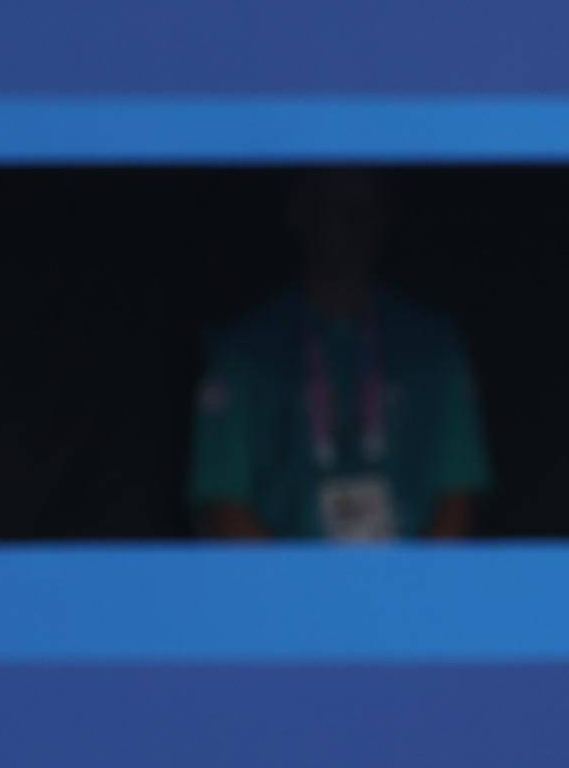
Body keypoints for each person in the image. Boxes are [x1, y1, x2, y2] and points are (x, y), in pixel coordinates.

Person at [189, 172, 492, 541]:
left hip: (410, 586)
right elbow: (223, 503)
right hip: (282, 588)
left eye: (365, 209)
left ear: (385, 217)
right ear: (299, 213)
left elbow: (458, 496)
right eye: (335, 206)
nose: (352, 224)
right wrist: (301, 595)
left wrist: (413, 593)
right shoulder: (244, 351)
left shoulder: (433, 345)